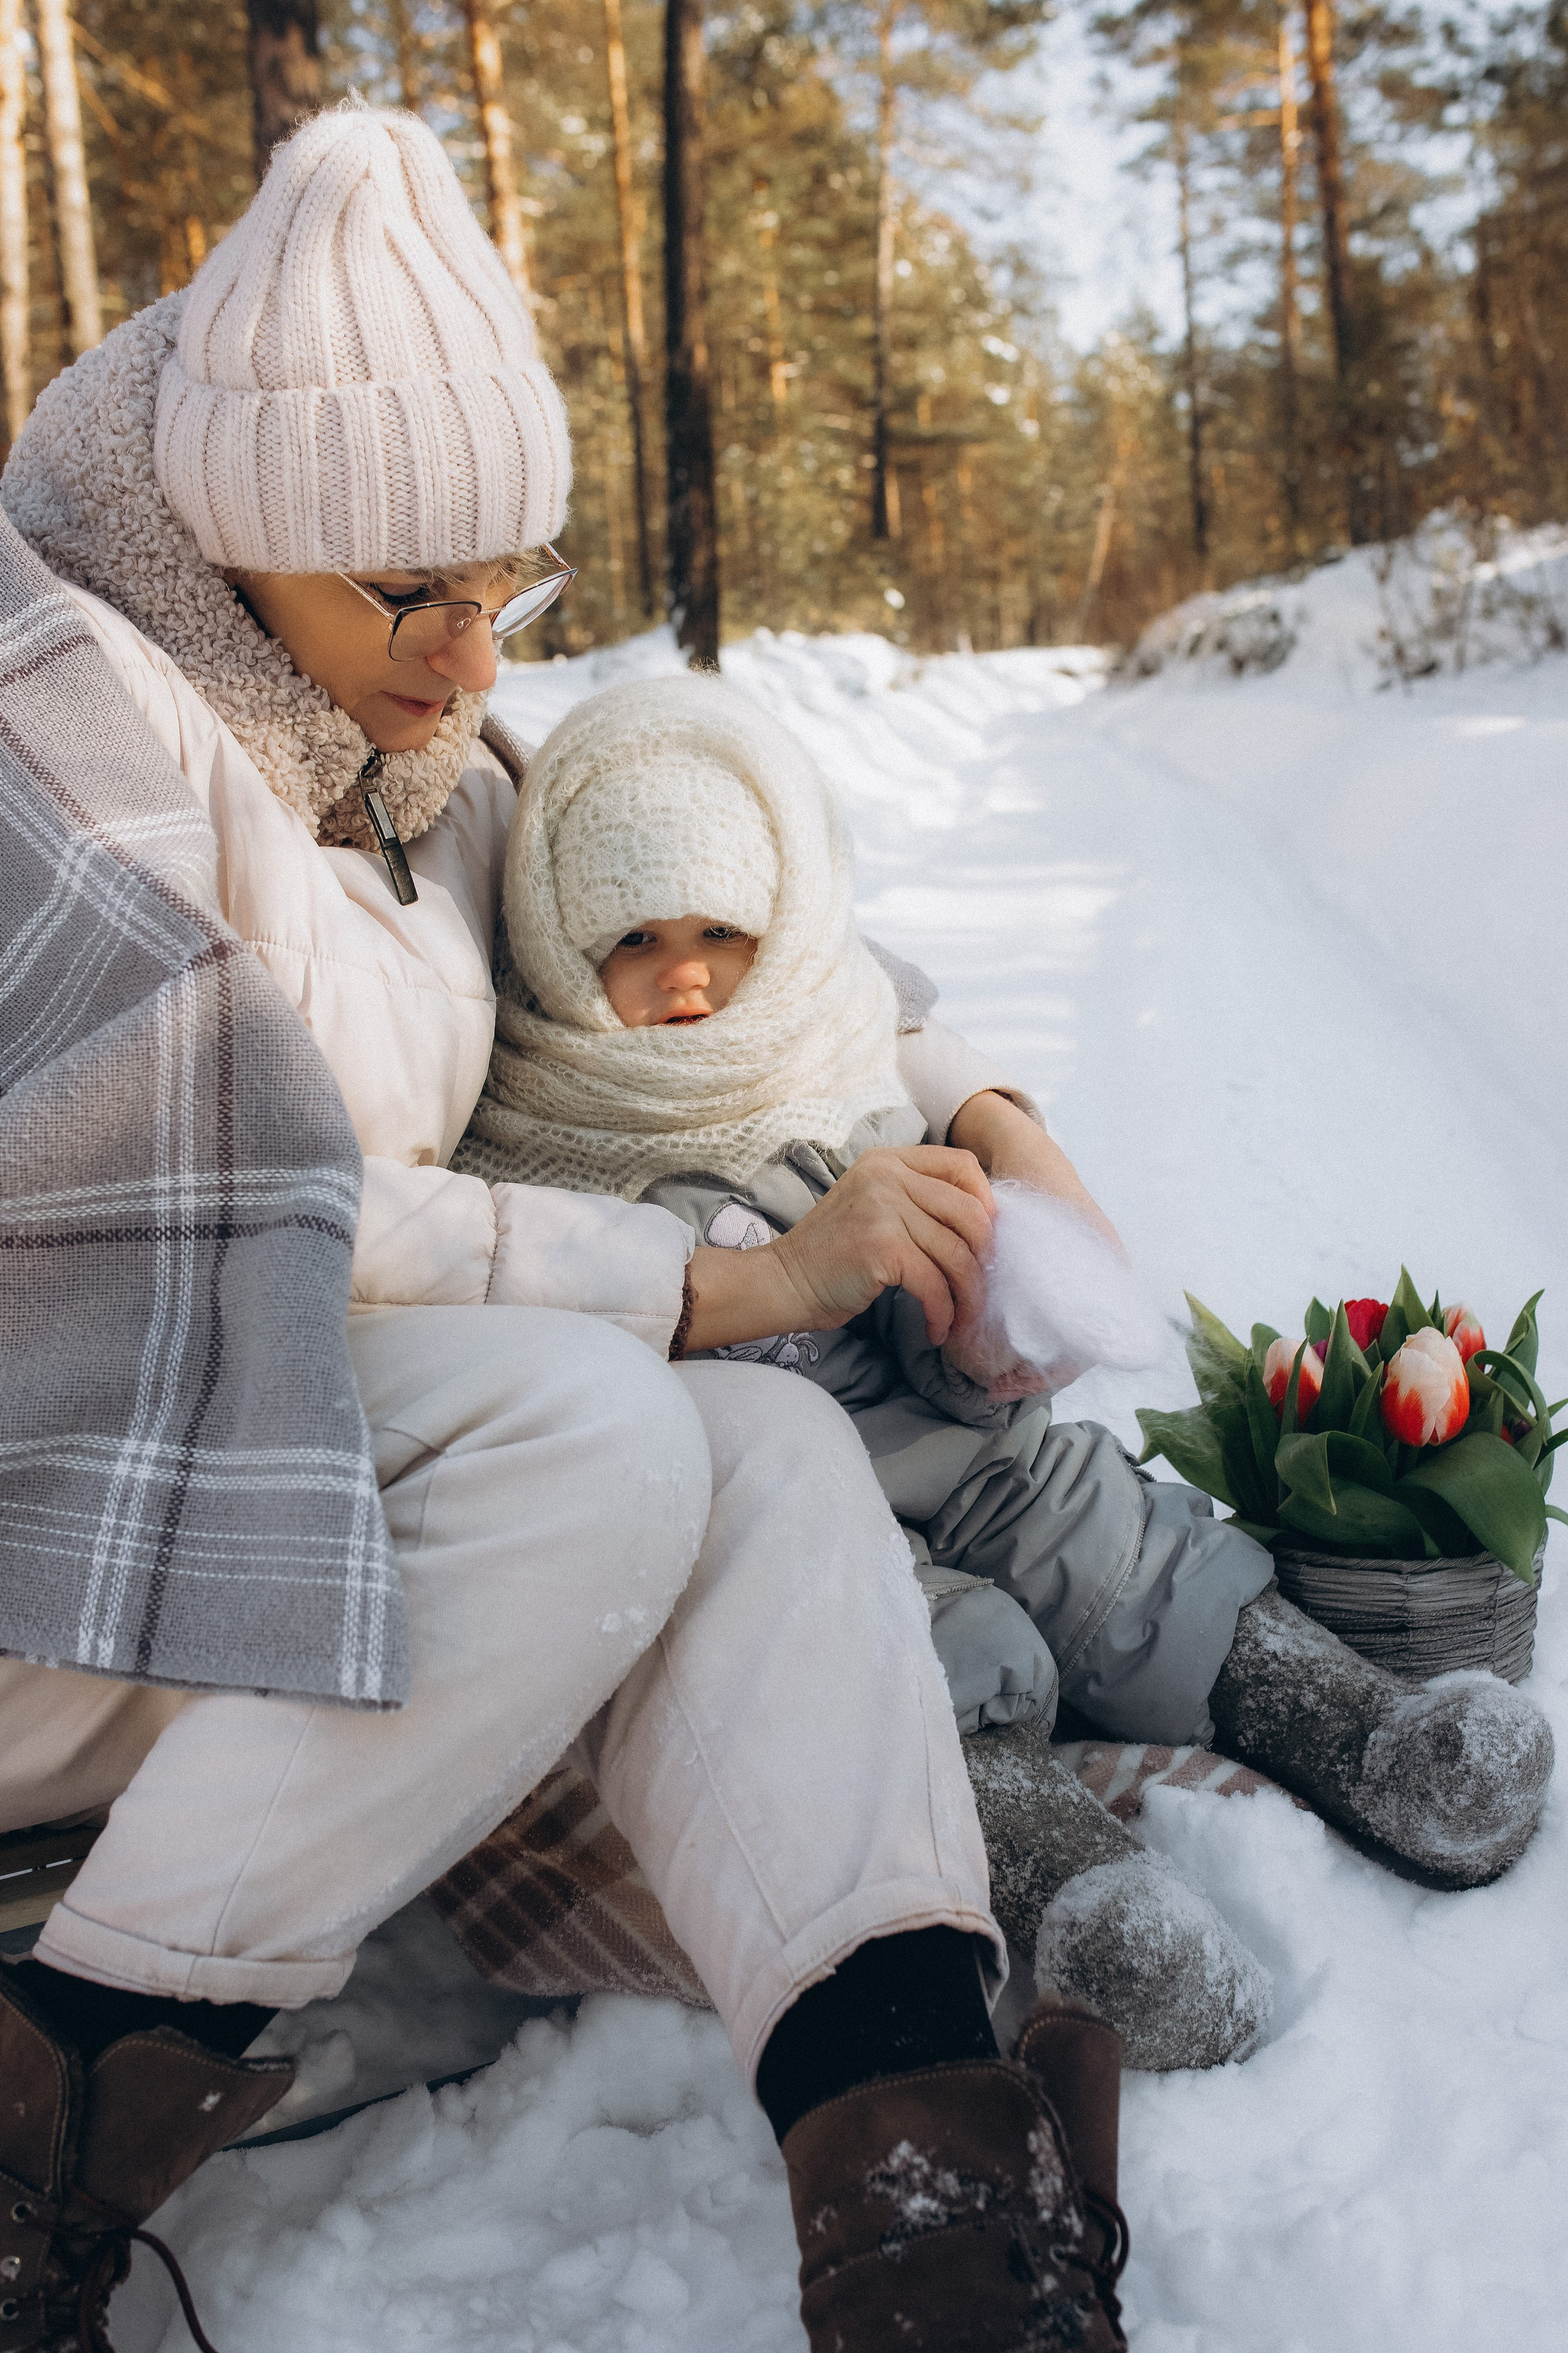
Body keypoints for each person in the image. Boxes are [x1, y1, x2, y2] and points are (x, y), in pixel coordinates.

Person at [0, 104, 1131, 2353]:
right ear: (240, 531)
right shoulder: (74, 738)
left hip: (290, 1475)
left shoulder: (403, 748)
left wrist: (985, 1120)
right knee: (601, 1424)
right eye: (407, 591)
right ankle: (45, 2124)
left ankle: (932, 2213)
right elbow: (235, 1203)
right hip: (77, 1510)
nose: (470, 656)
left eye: (505, 584)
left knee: (771, 1453)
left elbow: (715, 919)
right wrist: (706, 1280)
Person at [465, 669, 1558, 1890]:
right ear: (560, 946)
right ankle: (1090, 1897)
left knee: (1107, 1529)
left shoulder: (830, 1054)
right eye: (635, 939)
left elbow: (941, 1276)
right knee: (917, 1668)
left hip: (967, 1450)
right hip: (792, 1528)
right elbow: (545, 1330)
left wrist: (984, 1336)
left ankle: (1359, 1732)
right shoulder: (537, 1143)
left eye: (721, 932)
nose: (686, 978)